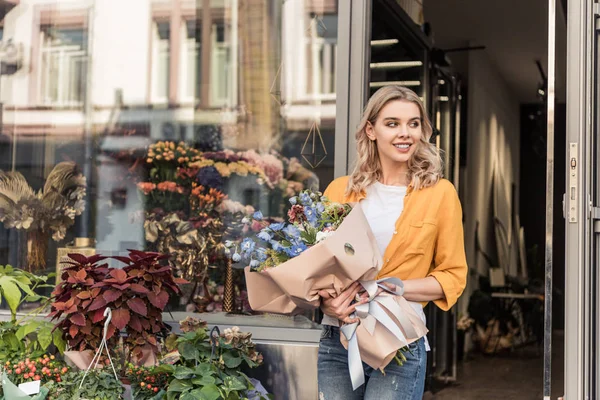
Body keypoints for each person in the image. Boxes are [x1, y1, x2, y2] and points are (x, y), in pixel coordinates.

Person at [317, 85, 468, 400]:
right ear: (370, 130)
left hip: (398, 338)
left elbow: (452, 276)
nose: (406, 133)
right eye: (393, 123)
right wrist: (326, 302)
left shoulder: (440, 194)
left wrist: (385, 286)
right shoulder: (338, 192)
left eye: (414, 124)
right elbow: (316, 267)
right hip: (338, 338)